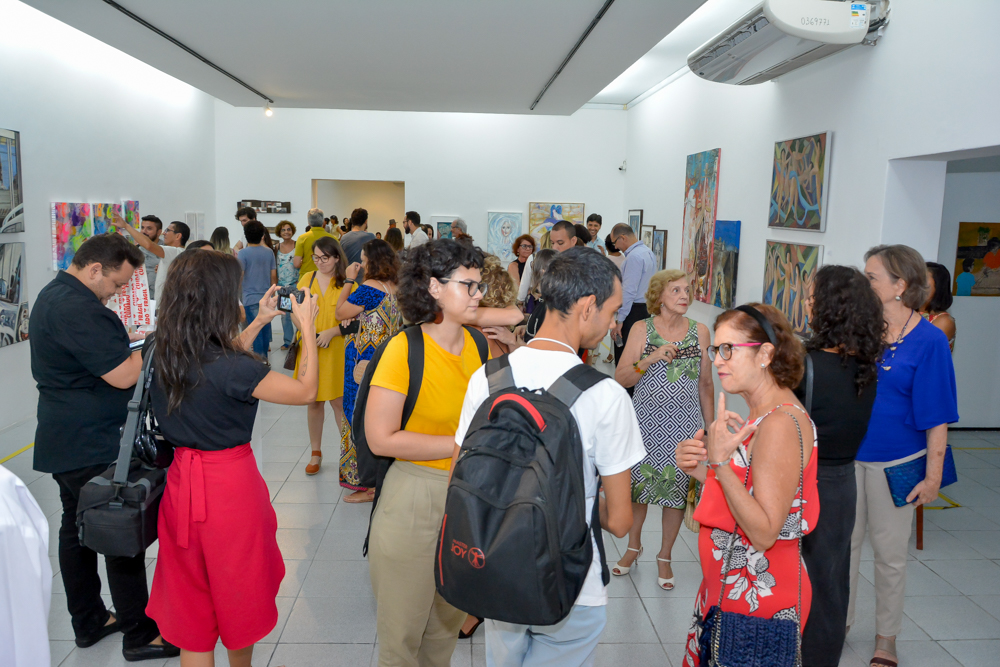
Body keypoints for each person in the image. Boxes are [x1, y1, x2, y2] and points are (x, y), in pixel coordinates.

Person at [455, 248, 644, 666]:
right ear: (587, 307)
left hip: (498, 568)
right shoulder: (606, 395)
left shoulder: (487, 378)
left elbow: (458, 473)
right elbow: (619, 522)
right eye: (613, 312)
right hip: (572, 586)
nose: (615, 324)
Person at [146, 250, 321, 667]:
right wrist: (308, 329)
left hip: (181, 491)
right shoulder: (232, 368)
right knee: (239, 597)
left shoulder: (164, 351)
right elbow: (305, 391)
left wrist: (260, 321)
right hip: (229, 493)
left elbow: (216, 370)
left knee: (193, 609)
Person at [364, 240, 522, 666]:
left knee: (443, 634)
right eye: (469, 285)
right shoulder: (404, 349)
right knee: (401, 640)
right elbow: (382, 439)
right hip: (414, 494)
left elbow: (515, 321)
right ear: (434, 287)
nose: (478, 295)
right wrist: (463, 441)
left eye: (479, 286)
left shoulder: (478, 347)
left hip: (466, 495)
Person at [29, 234, 178, 662]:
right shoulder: (77, 307)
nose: (115, 293)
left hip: (64, 437)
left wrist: (127, 340)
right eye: (115, 284)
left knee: (76, 532)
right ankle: (139, 634)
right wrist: (154, 341)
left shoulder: (55, 294)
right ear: (95, 269)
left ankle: (90, 620)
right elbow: (122, 376)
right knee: (119, 531)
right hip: (90, 439)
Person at [677, 304, 818, 667]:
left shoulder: (780, 424)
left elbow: (765, 531)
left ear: (766, 353)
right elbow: (748, 491)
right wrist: (702, 467)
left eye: (729, 349)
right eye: (715, 350)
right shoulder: (762, 413)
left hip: (757, 597)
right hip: (727, 587)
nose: (718, 360)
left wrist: (721, 463)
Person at [848, 245, 959, 667]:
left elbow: (938, 418)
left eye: (872, 276)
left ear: (900, 286)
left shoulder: (930, 340)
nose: (865, 281)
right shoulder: (860, 329)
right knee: (844, 548)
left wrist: (932, 479)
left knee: (890, 557)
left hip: (896, 465)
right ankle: (838, 622)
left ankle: (886, 639)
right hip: (848, 460)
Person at [795, 265, 882, 667]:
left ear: (828, 308)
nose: (806, 304)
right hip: (843, 483)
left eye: (812, 298)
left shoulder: (803, 365)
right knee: (830, 585)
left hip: (802, 481)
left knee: (784, 579)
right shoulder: (866, 365)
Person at [613, 270, 714, 590]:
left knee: (674, 495)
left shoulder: (701, 332)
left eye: (687, 290)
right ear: (659, 297)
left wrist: (711, 432)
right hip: (644, 423)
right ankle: (633, 547)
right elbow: (621, 378)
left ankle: (665, 556)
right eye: (676, 290)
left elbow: (706, 384)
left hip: (685, 426)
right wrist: (652, 357)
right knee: (638, 490)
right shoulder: (641, 329)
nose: (685, 295)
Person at [335, 239, 402, 500]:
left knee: (357, 417)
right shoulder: (393, 287)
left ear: (372, 261)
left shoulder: (368, 288)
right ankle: (379, 479)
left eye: (363, 259)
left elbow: (340, 312)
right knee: (378, 417)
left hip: (361, 364)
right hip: (385, 359)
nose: (360, 264)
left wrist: (349, 280)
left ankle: (365, 482)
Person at [296, 237, 351, 478]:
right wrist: (305, 330)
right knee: (313, 400)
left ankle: (348, 453)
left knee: (338, 402)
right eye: (315, 257)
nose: (319, 262)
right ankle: (315, 453)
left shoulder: (348, 284)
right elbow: (294, 313)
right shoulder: (306, 279)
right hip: (310, 348)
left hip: (336, 348)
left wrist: (333, 331)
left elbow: (356, 321)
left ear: (337, 257)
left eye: (324, 258)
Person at [111, 215, 189, 311]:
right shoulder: (179, 253)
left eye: (168, 231)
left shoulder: (175, 251)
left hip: (165, 307)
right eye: (142, 228)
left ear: (178, 236)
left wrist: (126, 226)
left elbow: (149, 245)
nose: (164, 233)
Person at [610, 223, 656, 368]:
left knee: (625, 357)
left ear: (622, 238)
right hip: (644, 309)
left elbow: (628, 292)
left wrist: (620, 321)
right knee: (638, 355)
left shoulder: (634, 257)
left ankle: (625, 390)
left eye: (615, 242)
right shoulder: (648, 252)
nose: (616, 247)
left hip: (632, 312)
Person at [238, 221, 277, 358]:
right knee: (265, 329)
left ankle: (260, 361)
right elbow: (273, 275)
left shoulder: (242, 253)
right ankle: (264, 358)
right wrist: (273, 294)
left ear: (245, 235)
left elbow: (240, 276)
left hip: (250, 297)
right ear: (262, 235)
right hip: (266, 297)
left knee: (256, 330)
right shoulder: (269, 252)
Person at [274, 220, 300, 350]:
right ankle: (288, 341)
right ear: (280, 232)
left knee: (299, 314)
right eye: (283, 230)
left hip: (296, 286)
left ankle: (300, 339)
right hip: (282, 288)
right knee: (285, 316)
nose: (286, 232)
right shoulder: (277, 247)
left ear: (292, 231)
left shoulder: (297, 245)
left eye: (288, 229)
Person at [922, 261, 956, 352]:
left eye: (923, 285)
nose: (916, 288)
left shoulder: (944, 321)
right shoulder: (907, 313)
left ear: (939, 288)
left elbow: (919, 352)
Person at [293, 208, 334, 275]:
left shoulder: (302, 238)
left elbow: (296, 264)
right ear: (323, 221)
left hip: (306, 277)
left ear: (309, 222)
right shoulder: (332, 239)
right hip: (327, 277)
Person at [604, 236, 624, 362]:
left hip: (609, 298)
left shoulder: (606, 260)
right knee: (617, 326)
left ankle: (609, 354)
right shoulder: (625, 258)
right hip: (622, 298)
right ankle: (613, 353)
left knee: (610, 326)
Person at [138, 214, 162, 298]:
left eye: (149, 228)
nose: (144, 231)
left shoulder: (165, 250)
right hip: (141, 300)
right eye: (142, 227)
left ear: (159, 232)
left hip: (160, 299)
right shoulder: (136, 251)